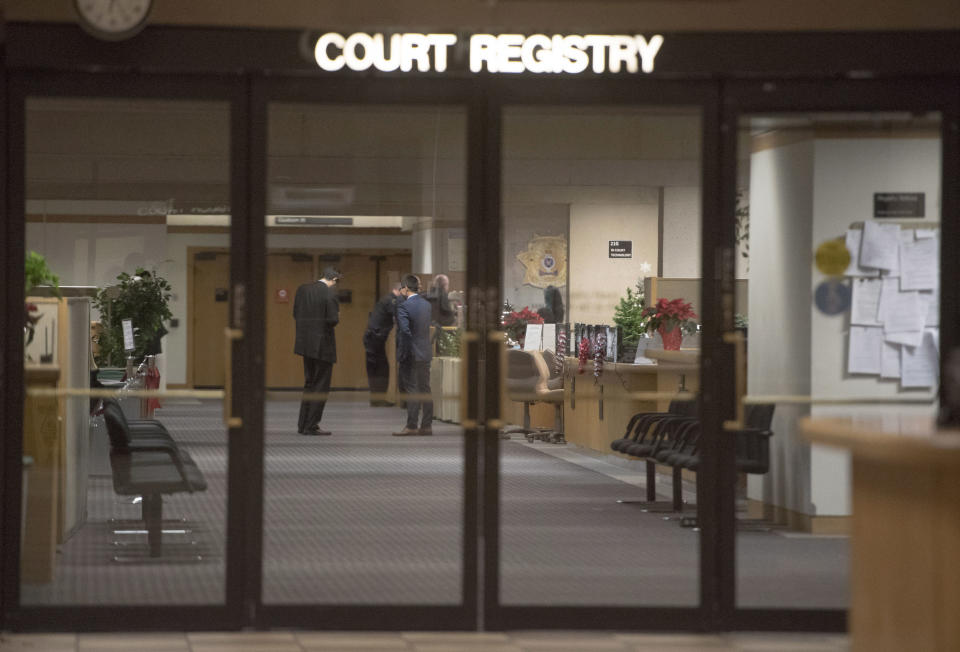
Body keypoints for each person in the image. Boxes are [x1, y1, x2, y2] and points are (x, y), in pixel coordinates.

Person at [293, 266, 341, 435]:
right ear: (334, 279)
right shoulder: (330, 293)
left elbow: (295, 313)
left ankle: (302, 424)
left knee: (309, 383)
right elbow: (333, 319)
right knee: (321, 387)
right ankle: (312, 425)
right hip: (323, 346)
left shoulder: (302, 290)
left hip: (305, 345)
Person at [393, 274, 433, 436]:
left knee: (412, 390)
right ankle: (427, 425)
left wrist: (402, 353)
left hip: (410, 354)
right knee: (425, 389)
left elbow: (404, 331)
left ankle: (411, 425)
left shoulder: (403, 306)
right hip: (424, 352)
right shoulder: (426, 305)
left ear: (406, 288)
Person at [363, 285, 400, 406]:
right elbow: (398, 316)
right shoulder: (391, 300)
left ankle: (376, 399)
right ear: (398, 290)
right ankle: (378, 399)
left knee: (375, 369)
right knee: (381, 369)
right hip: (375, 337)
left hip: (373, 337)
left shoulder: (387, 299)